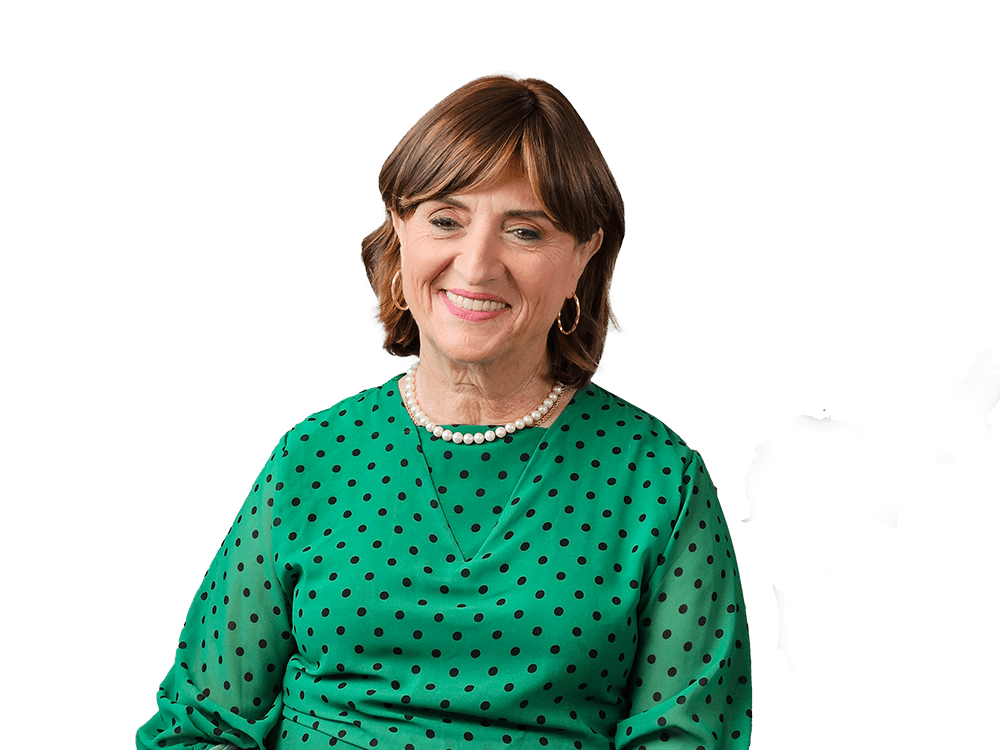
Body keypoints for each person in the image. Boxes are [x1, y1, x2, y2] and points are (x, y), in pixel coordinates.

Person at [136, 71, 752, 749]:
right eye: (446, 220)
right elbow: (201, 725)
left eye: (525, 230)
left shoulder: (661, 479)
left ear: (583, 255)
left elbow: (687, 739)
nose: (477, 265)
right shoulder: (309, 458)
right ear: (400, 229)